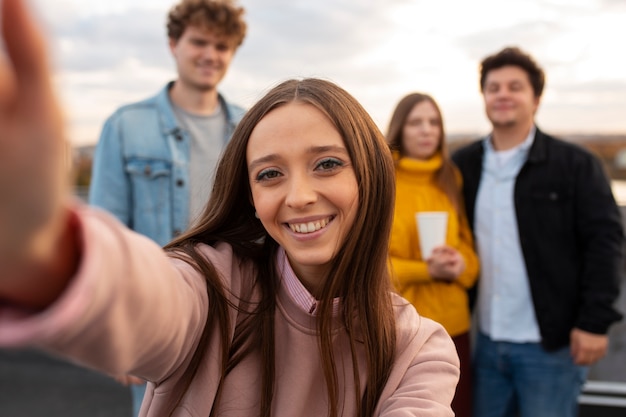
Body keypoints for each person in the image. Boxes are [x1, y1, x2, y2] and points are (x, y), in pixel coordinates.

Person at [0, 1, 460, 416]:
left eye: (326, 164)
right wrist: (46, 251)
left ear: (371, 175)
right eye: (269, 174)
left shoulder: (419, 350)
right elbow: (160, 291)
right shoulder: (214, 288)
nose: (298, 196)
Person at [87, 0, 247, 412]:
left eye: (222, 46)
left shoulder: (251, 130)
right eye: (199, 42)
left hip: (240, 322)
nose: (210, 55)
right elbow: (107, 240)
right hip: (158, 319)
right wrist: (117, 332)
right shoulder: (126, 126)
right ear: (174, 43)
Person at [451, 46, 624, 417]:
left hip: (551, 347)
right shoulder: (463, 165)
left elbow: (605, 243)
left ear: (537, 99)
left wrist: (594, 322)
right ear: (483, 97)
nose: (503, 95)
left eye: (515, 86)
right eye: (493, 87)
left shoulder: (575, 164)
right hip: (484, 343)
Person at [386, 93, 479, 417]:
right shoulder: (382, 180)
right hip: (400, 331)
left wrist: (460, 264)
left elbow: (469, 250)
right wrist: (427, 270)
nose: (426, 130)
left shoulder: (450, 178)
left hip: (454, 328)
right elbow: (367, 263)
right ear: (399, 129)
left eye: (433, 122)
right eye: (416, 122)